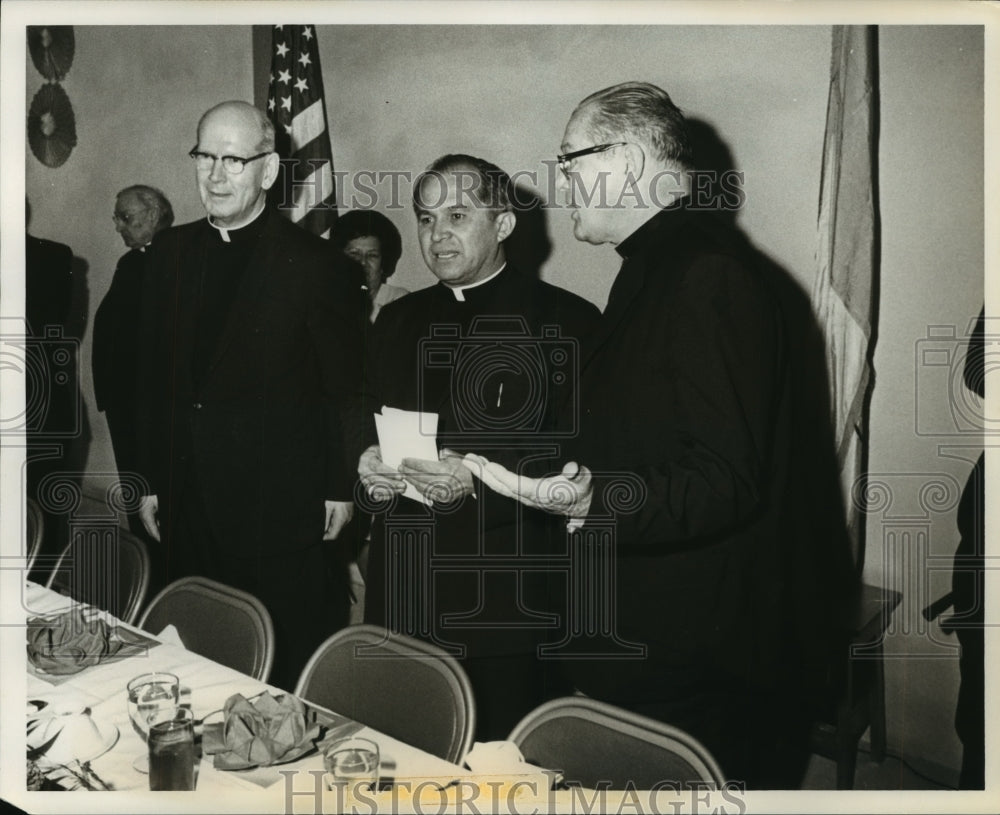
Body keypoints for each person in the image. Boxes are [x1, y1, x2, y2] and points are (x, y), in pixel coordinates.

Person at [464, 82, 834, 786]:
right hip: (660, 638)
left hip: (696, 658)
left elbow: (722, 478)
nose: (561, 181)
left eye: (570, 161)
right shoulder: (659, 268)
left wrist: (585, 502)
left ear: (627, 161)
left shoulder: (707, 277)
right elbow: (638, 433)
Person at [359, 154, 599, 740]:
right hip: (405, 585)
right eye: (425, 218)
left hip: (505, 595)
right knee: (400, 755)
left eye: (458, 214)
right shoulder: (396, 320)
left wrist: (477, 476)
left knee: (500, 772)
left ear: (504, 226)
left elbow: (580, 452)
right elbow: (362, 419)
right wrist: (362, 460)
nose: (437, 235)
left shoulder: (569, 321)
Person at [135, 101, 369, 690]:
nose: (215, 174)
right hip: (185, 503)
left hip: (279, 507)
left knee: (277, 677)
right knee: (192, 665)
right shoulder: (168, 253)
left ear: (268, 172)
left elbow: (346, 388)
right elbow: (152, 382)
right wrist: (149, 477)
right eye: (205, 156)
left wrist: (339, 487)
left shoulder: (318, 265)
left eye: (233, 160)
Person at [93, 185, 173, 527]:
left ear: (153, 215)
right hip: (125, 405)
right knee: (135, 496)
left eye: (126, 217)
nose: (118, 227)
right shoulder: (129, 262)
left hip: (157, 407)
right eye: (117, 218)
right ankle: (149, 576)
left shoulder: (179, 258)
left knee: (159, 504)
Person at [331, 209, 409, 322]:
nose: (362, 262)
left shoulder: (400, 301)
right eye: (354, 253)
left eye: (372, 255)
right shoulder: (326, 301)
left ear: (383, 263)